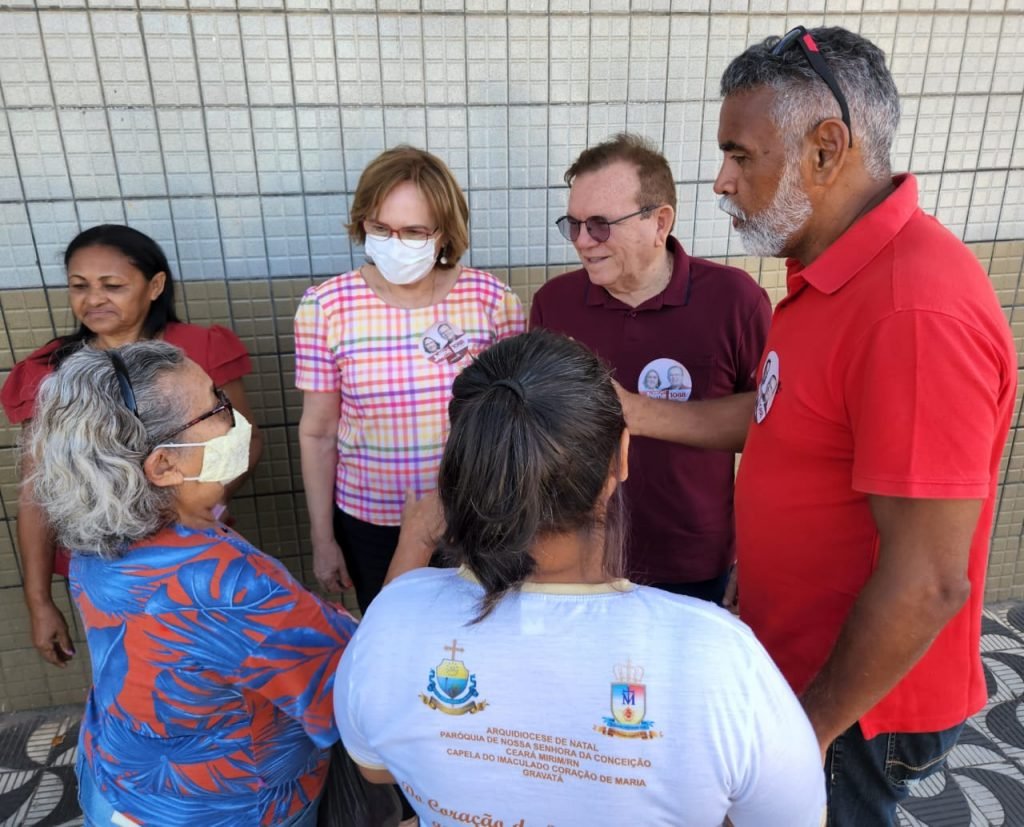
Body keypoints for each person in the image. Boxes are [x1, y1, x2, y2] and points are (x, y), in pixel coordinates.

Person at [618, 26, 1017, 826]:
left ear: (826, 150)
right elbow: (781, 419)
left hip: (856, 705)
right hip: (799, 660)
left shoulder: (913, 311)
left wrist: (805, 734)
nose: (722, 180)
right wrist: (633, 411)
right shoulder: (825, 268)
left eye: (741, 154)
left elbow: (929, 580)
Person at [331, 330, 825, 826]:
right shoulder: (719, 654)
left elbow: (375, 768)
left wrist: (414, 543)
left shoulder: (391, 615)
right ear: (621, 458)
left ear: (467, 466)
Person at [24, 341, 355, 826]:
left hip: (119, 780)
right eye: (217, 405)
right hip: (229, 805)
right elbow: (350, 693)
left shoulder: (95, 537)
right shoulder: (232, 588)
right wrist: (411, 548)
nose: (234, 414)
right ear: (163, 465)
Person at [0, 225, 263, 669]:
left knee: (214, 666)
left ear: (155, 286)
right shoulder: (50, 372)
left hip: (196, 547)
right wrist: (39, 600)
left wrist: (208, 507)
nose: (93, 299)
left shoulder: (198, 349)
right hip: (101, 566)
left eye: (113, 286)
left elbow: (245, 442)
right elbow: (37, 492)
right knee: (135, 674)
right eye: (79, 286)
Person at [530, 134, 771, 604]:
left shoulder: (735, 300)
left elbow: (773, 426)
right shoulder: (552, 304)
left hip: (694, 561)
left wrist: (759, 551)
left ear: (660, 222)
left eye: (600, 225)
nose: (582, 242)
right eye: (573, 224)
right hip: (580, 560)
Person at [296, 145, 525, 613]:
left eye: (414, 231)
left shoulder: (491, 301)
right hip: (370, 521)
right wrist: (323, 539)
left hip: (475, 516)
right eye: (380, 228)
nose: (394, 243)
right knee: (392, 637)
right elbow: (318, 431)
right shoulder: (325, 307)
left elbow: (517, 423)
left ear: (444, 234)